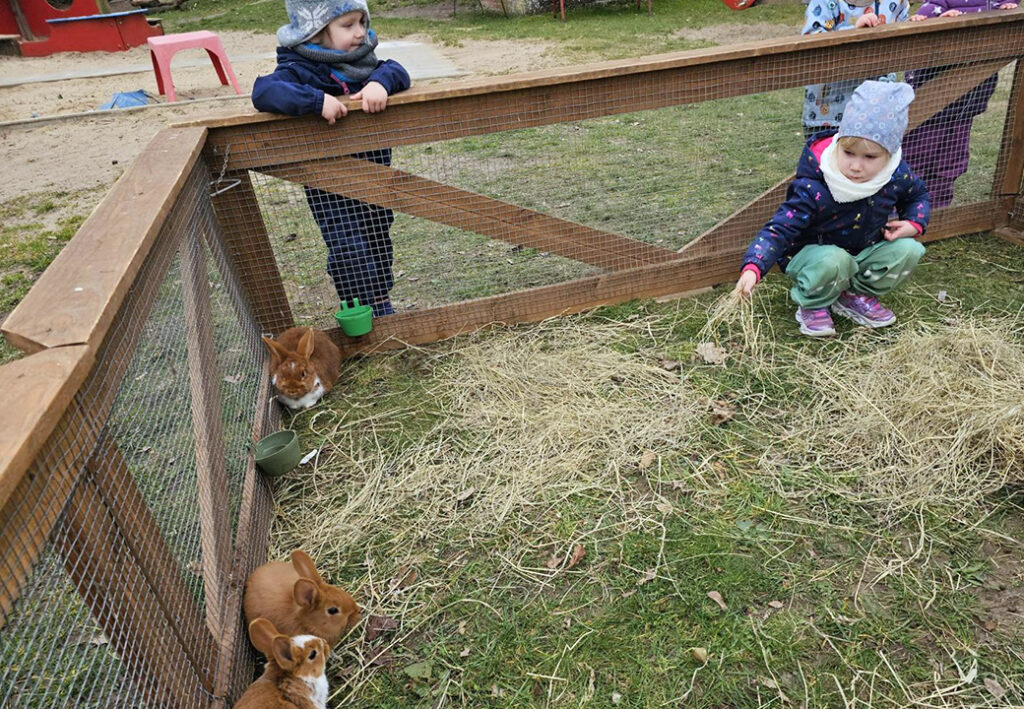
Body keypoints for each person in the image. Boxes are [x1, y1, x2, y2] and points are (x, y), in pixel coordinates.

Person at [734, 81, 931, 338]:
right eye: (848, 153)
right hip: (815, 257)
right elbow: (780, 228)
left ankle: (852, 295)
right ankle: (813, 302)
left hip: (863, 250)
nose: (856, 166)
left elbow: (917, 194)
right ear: (838, 143)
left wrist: (913, 222)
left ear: (890, 154)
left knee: (910, 249)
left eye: (869, 157)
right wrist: (754, 267)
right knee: (833, 260)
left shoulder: (895, 174)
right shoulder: (816, 184)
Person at [252, 0, 411, 317]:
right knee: (346, 242)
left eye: (361, 23)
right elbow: (263, 92)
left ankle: (380, 299)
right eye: (348, 25)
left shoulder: (365, 62)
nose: (360, 33)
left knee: (377, 232)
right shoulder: (299, 69)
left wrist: (381, 83)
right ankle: (356, 306)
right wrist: (315, 100)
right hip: (328, 180)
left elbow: (397, 71)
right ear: (316, 32)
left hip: (374, 172)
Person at [903, 0, 1018, 208]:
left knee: (951, 161)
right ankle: (903, 210)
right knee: (916, 156)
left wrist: (1008, 5)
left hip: (967, 101)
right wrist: (931, 20)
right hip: (930, 102)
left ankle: (938, 210)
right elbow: (928, 12)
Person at [801, 0, 910, 140]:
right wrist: (854, 32)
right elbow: (811, 41)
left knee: (872, 158)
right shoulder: (825, 2)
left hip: (877, 109)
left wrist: (916, 23)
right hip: (829, 114)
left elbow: (905, 39)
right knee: (827, 159)